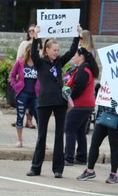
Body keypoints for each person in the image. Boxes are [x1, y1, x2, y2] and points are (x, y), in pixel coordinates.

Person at [26, 25, 82, 178]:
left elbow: (71, 52)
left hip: (59, 102)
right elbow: (33, 53)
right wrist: (35, 37)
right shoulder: (40, 62)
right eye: (54, 50)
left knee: (59, 135)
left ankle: (58, 169)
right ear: (47, 50)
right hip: (44, 102)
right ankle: (35, 168)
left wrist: (78, 36)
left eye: (58, 50)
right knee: (41, 135)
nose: (57, 52)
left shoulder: (59, 62)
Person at [64, 47, 99, 166]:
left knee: (69, 130)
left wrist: (70, 99)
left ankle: (68, 158)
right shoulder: (84, 68)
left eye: (75, 55)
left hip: (80, 105)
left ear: (81, 56)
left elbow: (78, 88)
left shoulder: (83, 70)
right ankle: (81, 157)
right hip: (86, 105)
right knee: (79, 131)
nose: (73, 57)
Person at [77, 100, 118, 184]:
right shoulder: (103, 86)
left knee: (114, 145)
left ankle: (113, 174)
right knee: (94, 143)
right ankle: (90, 170)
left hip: (117, 117)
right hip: (102, 115)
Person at [10, 42, 39, 148]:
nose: (36, 53)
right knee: (20, 116)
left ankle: (41, 142)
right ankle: (19, 140)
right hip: (22, 93)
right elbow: (12, 75)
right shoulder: (21, 61)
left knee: (39, 118)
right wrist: (16, 86)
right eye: (34, 51)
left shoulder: (39, 63)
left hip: (35, 95)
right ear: (28, 51)